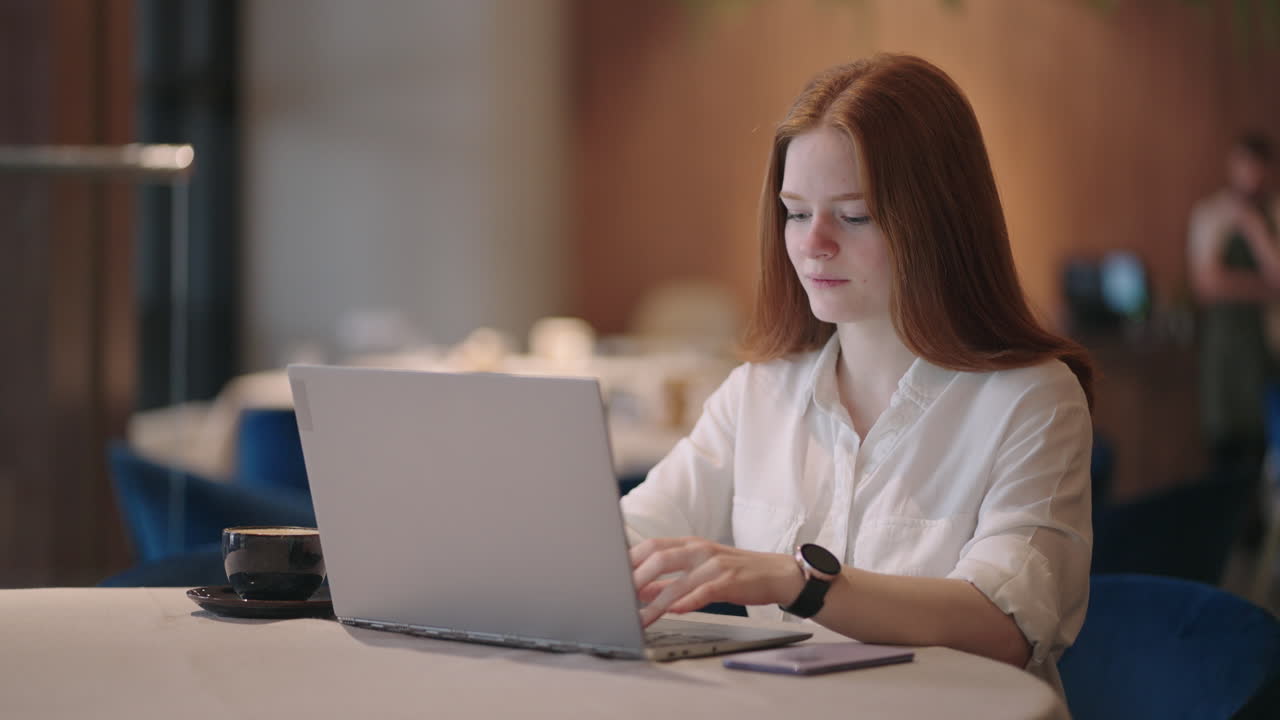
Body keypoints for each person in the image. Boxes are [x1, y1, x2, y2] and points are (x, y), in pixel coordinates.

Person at [620, 53, 1094, 692]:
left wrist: (799, 582)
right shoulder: (760, 392)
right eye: (794, 212)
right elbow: (629, 542)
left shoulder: (1032, 400)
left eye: (853, 215)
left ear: (938, 222)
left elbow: (1004, 623)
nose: (813, 243)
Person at [1187, 133, 1280, 533]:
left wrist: (1257, 231)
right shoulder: (1210, 214)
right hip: (1223, 352)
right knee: (1223, 445)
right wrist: (1261, 289)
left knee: (1264, 450)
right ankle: (1226, 538)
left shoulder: (1274, 215)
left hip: (1267, 350)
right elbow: (1206, 285)